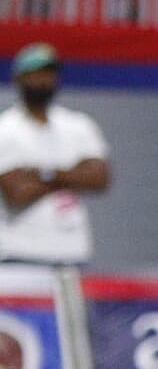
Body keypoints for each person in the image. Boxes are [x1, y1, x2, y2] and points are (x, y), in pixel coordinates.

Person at [0, 45, 109, 266]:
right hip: (21, 251)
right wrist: (72, 175)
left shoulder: (78, 125)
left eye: (49, 73)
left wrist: (43, 174)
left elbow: (99, 178)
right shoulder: (5, 129)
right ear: (20, 78)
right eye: (36, 73)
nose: (43, 80)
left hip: (72, 251)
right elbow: (17, 193)